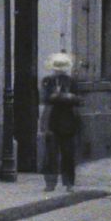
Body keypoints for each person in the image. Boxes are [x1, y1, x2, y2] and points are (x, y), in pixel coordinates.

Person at [39, 52, 81, 191]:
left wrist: (63, 97)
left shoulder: (72, 82)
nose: (59, 70)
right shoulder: (48, 81)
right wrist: (65, 97)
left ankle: (69, 183)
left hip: (68, 122)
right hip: (52, 122)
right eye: (57, 67)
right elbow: (46, 98)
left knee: (68, 155)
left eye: (62, 67)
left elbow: (78, 99)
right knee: (51, 155)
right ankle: (50, 183)